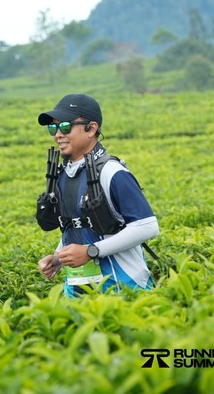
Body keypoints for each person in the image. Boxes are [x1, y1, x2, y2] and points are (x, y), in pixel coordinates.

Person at [36, 93, 160, 297]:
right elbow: (75, 225)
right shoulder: (62, 175)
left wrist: (91, 251)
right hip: (78, 287)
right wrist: (59, 257)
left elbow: (147, 226)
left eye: (65, 126)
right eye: (53, 128)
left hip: (124, 286)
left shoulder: (112, 172)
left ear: (91, 128)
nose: (57, 134)